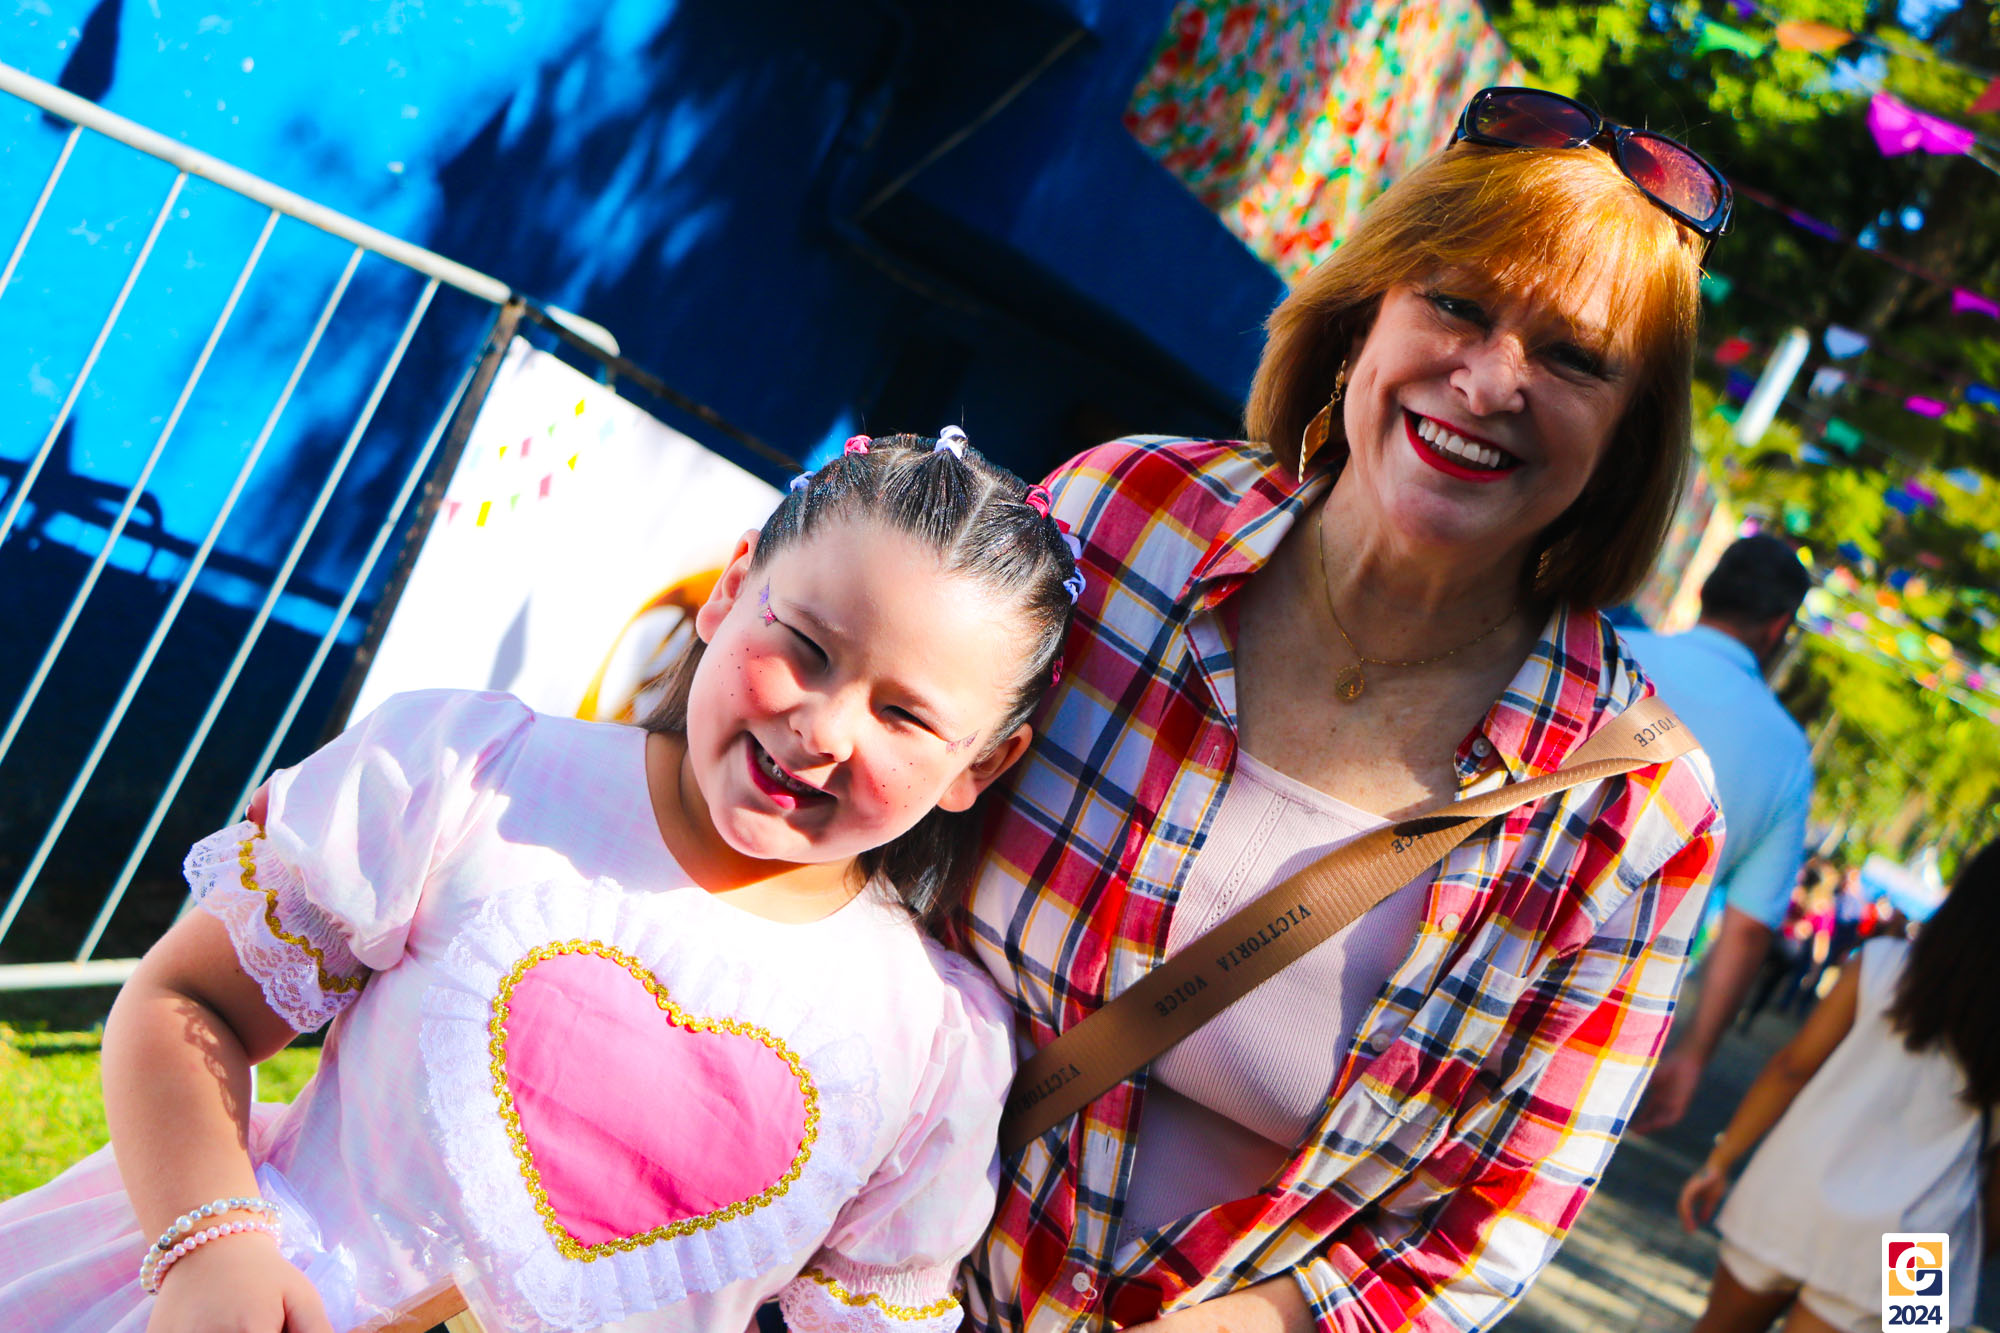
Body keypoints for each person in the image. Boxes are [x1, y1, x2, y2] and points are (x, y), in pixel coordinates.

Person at [0, 432, 1078, 1333]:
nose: (825, 725)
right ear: (732, 589)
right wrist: (213, 1246)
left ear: (980, 765)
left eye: (904, 714)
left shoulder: (933, 1052)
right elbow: (188, 1000)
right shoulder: (469, 777)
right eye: (804, 645)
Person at [961, 85, 1727, 1333]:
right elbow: (861, 850)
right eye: (1456, 304)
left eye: (1572, 358)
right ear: (1363, 311)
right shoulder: (1118, 519)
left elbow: (1479, 1238)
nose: (1489, 380)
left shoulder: (1638, 810)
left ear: (1625, 441)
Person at [1678, 837, 2000, 1333]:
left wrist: (1720, 1160)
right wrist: (1967, 1260)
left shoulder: (1883, 965)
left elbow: (1791, 1068)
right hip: (1922, 1241)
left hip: (1798, 1183)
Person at [1625, 534, 1814, 1132]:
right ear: (1779, 627)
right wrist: (1693, 1053)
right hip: (1618, 1001)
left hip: (1487, 925)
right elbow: (1750, 928)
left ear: (1706, 588)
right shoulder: (1787, 753)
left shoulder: (1613, 649)